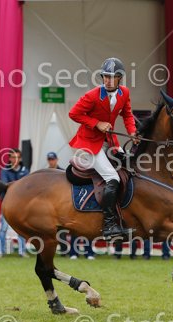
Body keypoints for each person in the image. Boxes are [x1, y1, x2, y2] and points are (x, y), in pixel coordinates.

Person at [68, 57, 137, 240]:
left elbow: (128, 115)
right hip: (89, 143)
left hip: (110, 141)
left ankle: (126, 216)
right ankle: (109, 225)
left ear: (119, 78)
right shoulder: (92, 95)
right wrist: (96, 123)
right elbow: (73, 113)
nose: (108, 80)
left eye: (112, 77)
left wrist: (132, 132)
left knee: (130, 166)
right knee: (113, 177)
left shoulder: (124, 93)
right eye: (105, 76)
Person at [0, 148, 29, 258]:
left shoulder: (25, 171)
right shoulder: (4, 170)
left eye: (18, 157)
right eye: (13, 157)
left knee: (21, 228)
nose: (15, 160)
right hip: (7, 204)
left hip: (21, 205)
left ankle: (22, 251)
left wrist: (15, 186)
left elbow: (27, 187)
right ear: (9, 158)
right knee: (3, 229)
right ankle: (0, 251)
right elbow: (6, 185)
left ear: (20, 159)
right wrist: (20, 185)